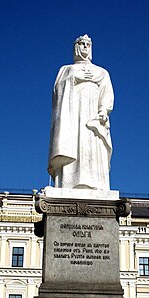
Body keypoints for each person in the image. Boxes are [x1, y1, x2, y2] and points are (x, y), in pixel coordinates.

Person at [48, 35, 114, 190]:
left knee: (91, 142)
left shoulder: (102, 72)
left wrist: (103, 109)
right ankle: (68, 182)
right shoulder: (66, 70)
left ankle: (95, 183)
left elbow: (107, 92)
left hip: (93, 116)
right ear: (76, 47)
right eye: (82, 43)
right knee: (74, 142)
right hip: (72, 115)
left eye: (88, 44)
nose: (85, 46)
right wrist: (73, 77)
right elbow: (56, 92)